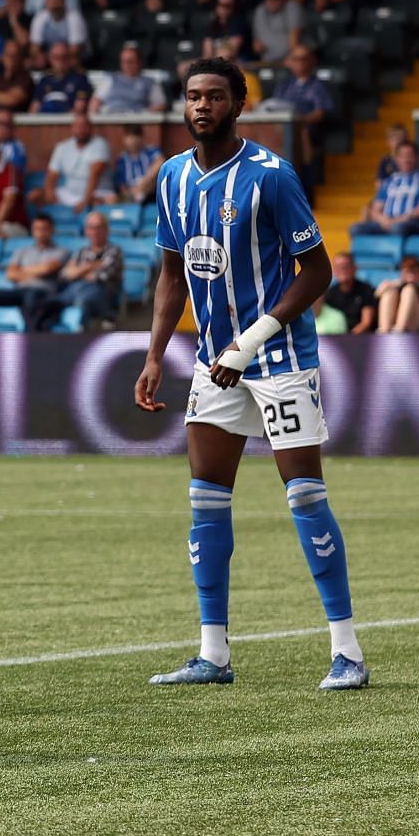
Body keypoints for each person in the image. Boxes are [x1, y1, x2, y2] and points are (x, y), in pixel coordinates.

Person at [135, 57, 364, 691]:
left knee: (305, 496)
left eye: (213, 96)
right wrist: (156, 355)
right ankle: (214, 654)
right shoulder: (172, 178)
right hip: (214, 365)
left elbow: (315, 271)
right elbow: (172, 274)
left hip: (280, 360)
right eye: (191, 96)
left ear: (239, 105)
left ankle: (347, 651)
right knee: (206, 500)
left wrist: (253, 338)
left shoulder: (272, 176)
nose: (200, 106)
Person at [39, 210, 123, 330]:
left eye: (98, 227)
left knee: (83, 301)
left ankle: (82, 332)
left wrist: (77, 271)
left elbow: (102, 277)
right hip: (75, 291)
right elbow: (65, 274)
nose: (95, 232)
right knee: (49, 302)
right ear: (86, 230)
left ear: (107, 229)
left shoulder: (114, 251)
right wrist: (91, 266)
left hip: (101, 293)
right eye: (91, 228)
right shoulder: (81, 251)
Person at [351, 142, 419, 236]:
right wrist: (384, 220)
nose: (406, 159)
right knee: (356, 229)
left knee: (397, 228)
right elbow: (376, 209)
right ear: (396, 159)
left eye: (410, 156)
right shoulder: (388, 182)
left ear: (417, 157)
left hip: (412, 222)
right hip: (387, 222)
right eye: (402, 156)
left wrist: (405, 217)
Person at [374, 255, 419, 333]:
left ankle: (399, 330)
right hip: (390, 326)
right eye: (407, 272)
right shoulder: (396, 290)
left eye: (414, 272)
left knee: (409, 290)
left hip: (417, 328)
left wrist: (412, 288)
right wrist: (379, 292)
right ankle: (384, 331)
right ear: (402, 274)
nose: (411, 275)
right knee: (389, 293)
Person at [324, 251, 377, 335]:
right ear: (333, 271)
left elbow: (366, 322)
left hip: (362, 338)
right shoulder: (329, 294)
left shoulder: (366, 290)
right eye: (338, 267)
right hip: (337, 338)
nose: (342, 270)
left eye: (346, 266)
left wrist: (349, 338)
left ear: (355, 268)